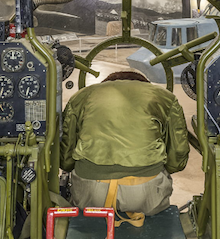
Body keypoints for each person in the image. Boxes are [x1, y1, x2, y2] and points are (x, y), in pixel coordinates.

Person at [60, 70, 188, 220]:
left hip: (91, 196)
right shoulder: (166, 98)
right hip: (147, 194)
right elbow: (178, 156)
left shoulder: (81, 97)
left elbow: (66, 158)